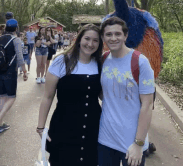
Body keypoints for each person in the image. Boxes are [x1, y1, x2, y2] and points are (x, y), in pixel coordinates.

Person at [36, 24, 103, 166]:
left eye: (95, 40)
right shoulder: (61, 61)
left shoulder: (100, 64)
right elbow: (47, 97)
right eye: (87, 38)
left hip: (93, 127)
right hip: (64, 127)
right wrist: (41, 127)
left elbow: (104, 97)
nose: (90, 44)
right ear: (79, 39)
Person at [98, 16, 155, 166]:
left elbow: (147, 105)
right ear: (103, 37)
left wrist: (139, 143)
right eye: (108, 34)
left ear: (125, 35)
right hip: (105, 139)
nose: (113, 38)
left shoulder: (140, 62)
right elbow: (103, 94)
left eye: (118, 34)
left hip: (131, 142)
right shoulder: (103, 60)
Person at [0, 19, 28, 133]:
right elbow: (20, 57)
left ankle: (1, 123)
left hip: (0, 71)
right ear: (16, 28)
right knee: (11, 97)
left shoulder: (0, 38)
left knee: (2, 96)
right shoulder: (15, 40)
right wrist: (25, 72)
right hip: (10, 72)